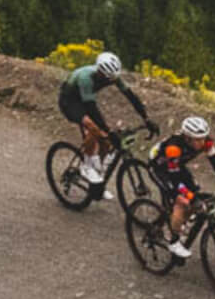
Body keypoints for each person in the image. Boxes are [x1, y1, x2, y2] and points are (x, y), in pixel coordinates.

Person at [57, 51, 155, 198]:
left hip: (85, 102)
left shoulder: (112, 77)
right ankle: (86, 166)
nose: (108, 80)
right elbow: (91, 109)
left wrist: (146, 119)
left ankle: (97, 180)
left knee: (106, 142)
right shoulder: (86, 78)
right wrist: (108, 130)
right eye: (105, 77)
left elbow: (131, 96)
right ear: (99, 71)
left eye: (111, 78)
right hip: (69, 102)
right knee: (93, 128)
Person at [148, 116, 215, 259]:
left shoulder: (206, 142)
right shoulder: (173, 148)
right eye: (198, 139)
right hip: (160, 168)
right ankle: (173, 242)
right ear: (187, 138)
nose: (202, 142)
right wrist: (190, 198)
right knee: (181, 201)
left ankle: (177, 220)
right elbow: (175, 183)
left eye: (203, 138)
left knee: (196, 194)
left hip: (177, 165)